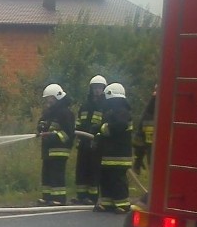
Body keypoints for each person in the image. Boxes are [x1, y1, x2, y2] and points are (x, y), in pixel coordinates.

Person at [94, 82, 133, 213]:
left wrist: (103, 128)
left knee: (117, 180)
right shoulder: (111, 111)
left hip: (119, 155)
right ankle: (107, 202)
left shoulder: (123, 111)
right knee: (105, 178)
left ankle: (122, 204)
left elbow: (119, 126)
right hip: (108, 154)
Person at [36, 83, 75, 206]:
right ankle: (47, 197)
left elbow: (69, 133)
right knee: (47, 173)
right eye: (47, 99)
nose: (48, 101)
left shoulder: (65, 113)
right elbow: (42, 123)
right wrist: (40, 126)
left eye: (50, 98)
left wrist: (54, 136)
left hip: (59, 150)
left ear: (57, 97)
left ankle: (59, 199)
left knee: (57, 174)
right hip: (48, 149)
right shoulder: (49, 112)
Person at [73, 75, 106, 204]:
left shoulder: (105, 105)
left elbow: (105, 123)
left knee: (93, 170)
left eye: (99, 88)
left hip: (96, 143)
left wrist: (96, 136)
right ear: (91, 89)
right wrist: (78, 132)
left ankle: (92, 197)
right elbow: (79, 121)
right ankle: (81, 196)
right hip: (83, 142)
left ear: (103, 89)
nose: (97, 90)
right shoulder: (85, 105)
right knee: (81, 169)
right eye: (95, 88)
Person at [133, 84, 157, 175]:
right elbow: (140, 137)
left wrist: (138, 159)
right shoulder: (148, 114)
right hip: (154, 158)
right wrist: (138, 159)